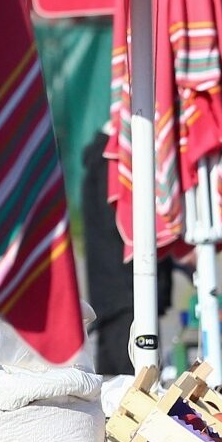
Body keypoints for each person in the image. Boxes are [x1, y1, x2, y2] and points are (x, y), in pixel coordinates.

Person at [80, 126, 172, 375]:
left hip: (118, 293)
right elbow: (130, 228)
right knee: (128, 383)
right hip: (127, 293)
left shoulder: (108, 161)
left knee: (118, 384)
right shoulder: (115, 163)